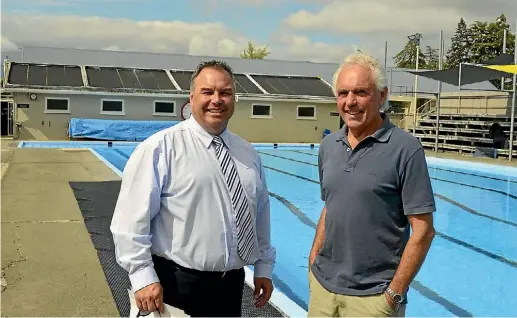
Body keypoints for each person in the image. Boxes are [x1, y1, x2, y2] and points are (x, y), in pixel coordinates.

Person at [110, 60, 276, 317]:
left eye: (225, 93)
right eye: (207, 92)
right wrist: (142, 275)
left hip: (230, 285)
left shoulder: (247, 153)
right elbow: (130, 220)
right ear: (191, 97)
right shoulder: (161, 148)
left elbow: (260, 214)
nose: (217, 100)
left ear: (234, 99)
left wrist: (263, 266)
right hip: (175, 285)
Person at [308, 52, 436, 317]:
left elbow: (423, 231)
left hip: (374, 298)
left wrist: (394, 294)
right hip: (323, 289)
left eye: (360, 92)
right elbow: (330, 206)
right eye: (343, 93)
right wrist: (313, 260)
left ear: (382, 95)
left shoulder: (406, 149)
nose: (350, 102)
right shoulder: (328, 146)